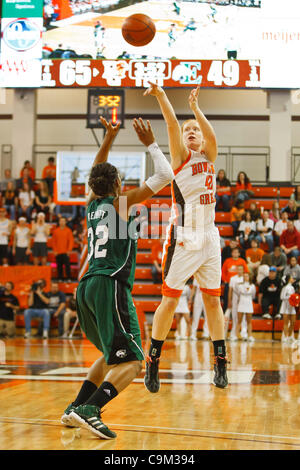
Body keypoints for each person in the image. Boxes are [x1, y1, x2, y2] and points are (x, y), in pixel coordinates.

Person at [61, 117, 174, 438]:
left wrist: (109, 138)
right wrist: (151, 142)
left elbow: (94, 173)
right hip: (109, 285)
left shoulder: (92, 205)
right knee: (134, 361)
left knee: (110, 357)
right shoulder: (121, 203)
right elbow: (165, 175)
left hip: (86, 286)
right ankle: (90, 409)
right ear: (117, 185)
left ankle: (74, 408)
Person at [141, 83, 228, 392]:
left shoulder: (210, 155)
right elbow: (171, 124)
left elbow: (213, 137)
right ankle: (152, 360)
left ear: (202, 138)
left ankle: (220, 360)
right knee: (169, 300)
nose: (191, 131)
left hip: (209, 238)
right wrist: (163, 95)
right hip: (185, 236)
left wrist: (196, 109)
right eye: (188, 130)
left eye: (195, 130)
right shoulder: (181, 156)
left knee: (213, 302)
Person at [222, 246, 249, 311]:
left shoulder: (242, 261)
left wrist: (244, 281)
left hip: (240, 283)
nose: (235, 254)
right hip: (229, 283)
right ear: (231, 253)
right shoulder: (227, 261)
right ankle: (226, 313)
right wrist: (225, 280)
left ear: (239, 254)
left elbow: (246, 272)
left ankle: (239, 312)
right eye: (234, 252)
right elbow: (223, 272)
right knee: (226, 299)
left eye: (236, 252)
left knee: (240, 299)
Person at [226, 265, 247, 341]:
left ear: (243, 270)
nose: (240, 271)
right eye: (238, 269)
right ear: (236, 270)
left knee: (243, 317)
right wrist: (229, 300)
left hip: (243, 298)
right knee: (234, 317)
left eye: (241, 269)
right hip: (235, 298)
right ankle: (233, 334)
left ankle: (244, 334)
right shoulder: (233, 279)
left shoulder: (245, 278)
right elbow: (230, 290)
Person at [236, 272, 256, 342]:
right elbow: (238, 294)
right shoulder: (240, 286)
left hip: (249, 303)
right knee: (239, 320)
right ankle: (236, 335)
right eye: (244, 276)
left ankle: (250, 336)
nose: (245, 277)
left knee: (249, 321)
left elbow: (253, 295)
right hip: (241, 303)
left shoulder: (252, 286)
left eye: (247, 276)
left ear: (249, 277)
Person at [280, 275, 296, 343]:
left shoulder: (292, 288)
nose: (293, 279)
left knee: (293, 322)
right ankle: (285, 337)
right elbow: (282, 297)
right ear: (289, 279)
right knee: (286, 322)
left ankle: (290, 336)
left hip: (292, 306)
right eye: (292, 278)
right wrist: (290, 297)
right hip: (285, 306)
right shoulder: (285, 288)